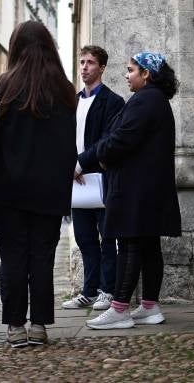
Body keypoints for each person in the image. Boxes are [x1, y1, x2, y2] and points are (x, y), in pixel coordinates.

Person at [0, 21, 78, 347]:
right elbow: (68, 145)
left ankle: (16, 326)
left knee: (13, 257)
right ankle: (39, 325)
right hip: (49, 190)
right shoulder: (64, 89)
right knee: (42, 258)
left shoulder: (8, 83)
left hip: (10, 187)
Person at [83, 52, 182, 330]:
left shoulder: (145, 99)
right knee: (148, 245)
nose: (127, 75)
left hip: (136, 188)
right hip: (147, 187)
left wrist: (96, 156)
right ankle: (150, 306)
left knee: (129, 244)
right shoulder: (155, 99)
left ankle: (119, 310)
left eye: (131, 70)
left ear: (146, 73)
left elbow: (121, 139)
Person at [62, 46, 124, 311]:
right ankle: (89, 291)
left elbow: (108, 141)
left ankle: (108, 291)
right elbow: (63, 138)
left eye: (90, 62)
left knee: (107, 239)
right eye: (82, 62)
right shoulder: (72, 102)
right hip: (76, 181)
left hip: (101, 179)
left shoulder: (113, 102)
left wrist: (80, 164)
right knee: (84, 239)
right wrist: (69, 165)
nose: (84, 67)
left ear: (102, 68)